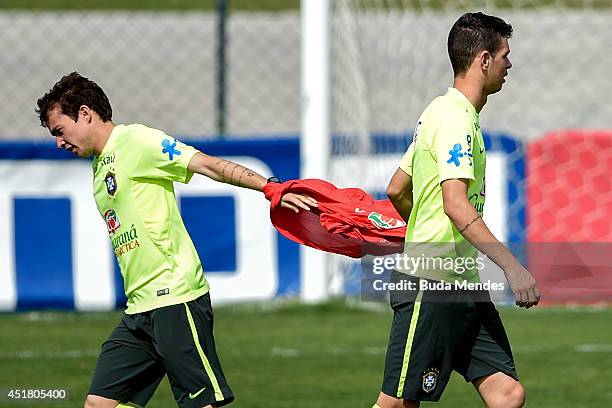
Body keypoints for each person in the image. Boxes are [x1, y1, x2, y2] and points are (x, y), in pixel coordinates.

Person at [36, 72, 316, 408]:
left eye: (59, 131)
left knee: (201, 404)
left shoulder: (136, 142)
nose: (58, 142)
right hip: (139, 307)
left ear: (85, 113)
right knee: (99, 403)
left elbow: (207, 165)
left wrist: (269, 187)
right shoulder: (100, 165)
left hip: (174, 298)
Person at [375, 12, 540, 408]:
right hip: (430, 284)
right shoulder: (454, 120)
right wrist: (512, 266)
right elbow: (455, 203)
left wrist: (419, 225)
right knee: (397, 403)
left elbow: (398, 188)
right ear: (484, 60)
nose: (509, 64)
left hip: (461, 283)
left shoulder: (440, 111)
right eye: (504, 55)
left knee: (506, 393)